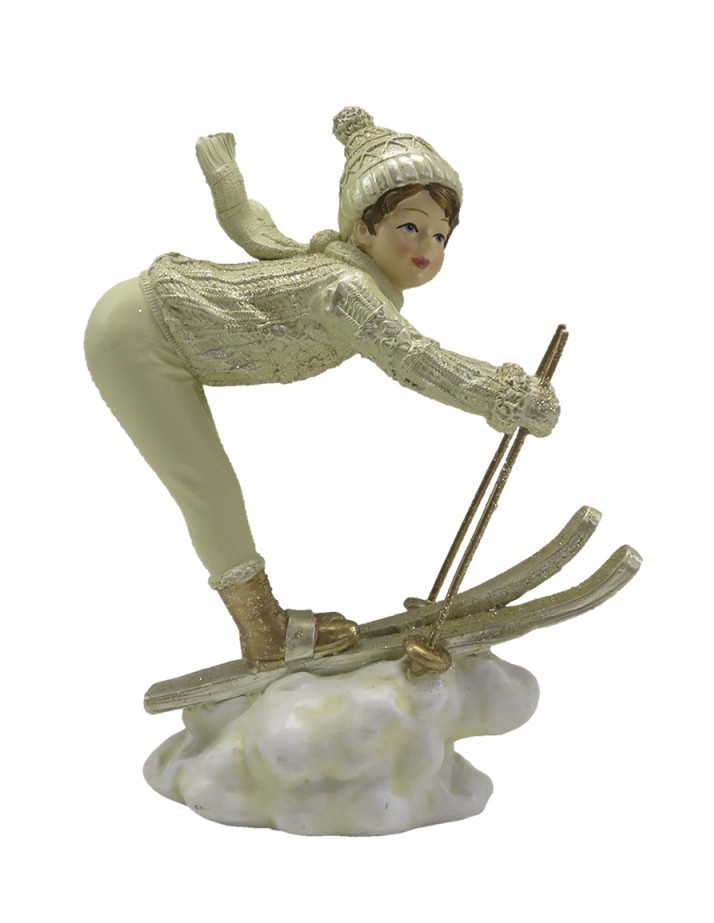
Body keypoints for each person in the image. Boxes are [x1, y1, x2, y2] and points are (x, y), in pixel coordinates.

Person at [85, 107, 559, 670]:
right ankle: (263, 631)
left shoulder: (334, 269)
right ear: (363, 229)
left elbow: (251, 227)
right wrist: (503, 395)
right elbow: (413, 359)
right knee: (208, 487)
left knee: (210, 486)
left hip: (142, 319)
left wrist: (225, 176)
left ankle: (265, 627)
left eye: (440, 235)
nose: (427, 247)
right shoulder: (344, 288)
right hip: (138, 333)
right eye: (409, 227)